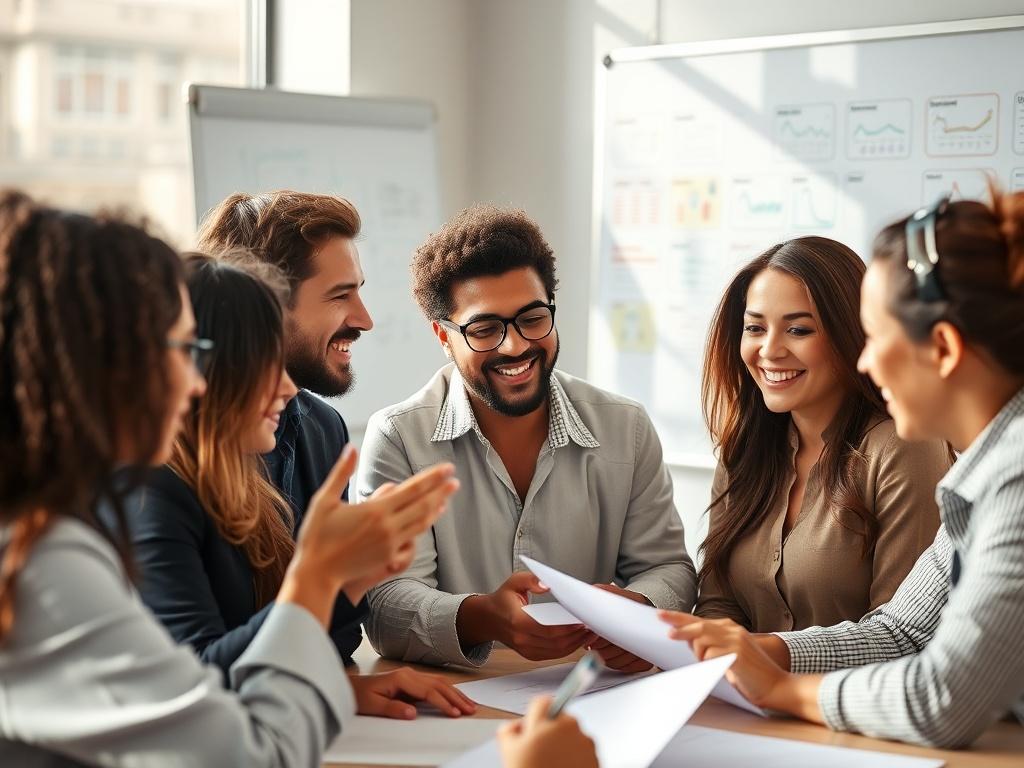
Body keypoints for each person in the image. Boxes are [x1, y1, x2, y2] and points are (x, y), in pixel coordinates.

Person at [0, 190, 458, 766]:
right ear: (104, 361)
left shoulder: (54, 533)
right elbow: (247, 755)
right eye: (180, 347)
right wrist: (320, 577)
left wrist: (337, 587)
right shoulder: (44, 561)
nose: (194, 381)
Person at [661, 189, 1024, 749]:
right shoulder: (985, 472)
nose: (865, 361)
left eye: (877, 337)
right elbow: (901, 632)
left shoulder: (1016, 475)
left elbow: (940, 698)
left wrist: (781, 691)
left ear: (945, 349)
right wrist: (762, 652)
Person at [124, 253, 475, 720]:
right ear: (202, 370)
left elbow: (317, 643)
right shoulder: (151, 491)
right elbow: (193, 683)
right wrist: (322, 576)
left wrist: (351, 582)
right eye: (264, 363)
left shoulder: (250, 482)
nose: (289, 390)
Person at [358, 204, 696, 671]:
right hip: (456, 699)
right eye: (485, 329)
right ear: (443, 335)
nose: (514, 345)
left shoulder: (626, 427)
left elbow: (670, 569)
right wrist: (483, 619)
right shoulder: (398, 437)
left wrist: (639, 605)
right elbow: (384, 604)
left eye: (532, 318)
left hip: (596, 691)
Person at [695, 236, 951, 632]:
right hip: (740, 692)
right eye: (755, 328)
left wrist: (772, 665)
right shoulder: (743, 449)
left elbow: (901, 637)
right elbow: (717, 607)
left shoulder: (903, 448)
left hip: (849, 694)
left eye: (798, 330)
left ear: (850, 333)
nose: (770, 350)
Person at [196, 190, 373, 662]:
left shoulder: (322, 427)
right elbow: (193, 665)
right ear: (266, 307)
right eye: (340, 295)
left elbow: (340, 638)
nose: (365, 319)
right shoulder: (173, 461)